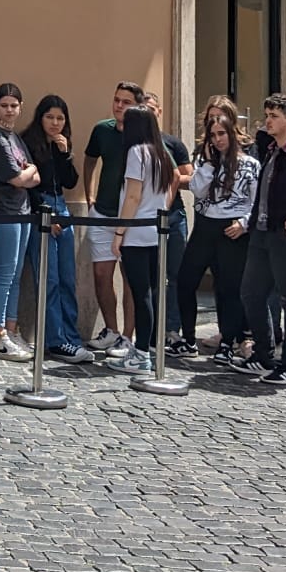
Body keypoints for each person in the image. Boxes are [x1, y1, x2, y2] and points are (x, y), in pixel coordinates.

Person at [229, 94, 286, 387]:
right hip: (263, 233)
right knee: (251, 293)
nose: (267, 120)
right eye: (267, 113)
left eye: (274, 115)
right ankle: (264, 354)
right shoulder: (273, 150)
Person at [179, 99, 256, 366]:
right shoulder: (205, 158)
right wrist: (210, 164)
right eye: (213, 133)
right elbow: (197, 190)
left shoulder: (249, 162)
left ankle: (228, 342)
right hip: (204, 225)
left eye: (221, 132)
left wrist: (243, 223)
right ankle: (187, 339)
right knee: (186, 279)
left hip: (232, 227)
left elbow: (256, 200)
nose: (217, 138)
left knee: (229, 288)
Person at [109, 105, 179, 374]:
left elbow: (133, 196)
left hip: (137, 232)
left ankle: (140, 354)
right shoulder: (161, 153)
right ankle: (146, 348)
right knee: (149, 291)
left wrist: (119, 232)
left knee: (141, 294)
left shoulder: (137, 153)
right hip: (155, 231)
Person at [19, 95, 89, 363]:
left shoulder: (61, 144)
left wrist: (65, 154)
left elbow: (70, 181)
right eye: (50, 117)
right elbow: (31, 186)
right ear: (40, 117)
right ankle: (55, 340)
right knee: (49, 279)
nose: (55, 123)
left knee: (68, 278)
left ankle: (72, 337)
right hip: (43, 209)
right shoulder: (29, 143)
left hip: (63, 206)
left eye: (60, 118)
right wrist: (44, 214)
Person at [81, 81, 147, 353]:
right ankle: (111, 329)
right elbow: (89, 160)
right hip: (103, 212)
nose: (119, 106)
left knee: (131, 279)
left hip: (132, 219)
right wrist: (90, 195)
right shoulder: (102, 129)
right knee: (101, 274)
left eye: (126, 102)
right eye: (117, 100)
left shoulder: (143, 135)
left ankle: (127, 338)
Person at [0, 84, 40, 360]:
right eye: (4, 105)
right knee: (4, 273)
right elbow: (17, 177)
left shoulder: (14, 136)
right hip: (3, 210)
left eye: (14, 105)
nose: (9, 110)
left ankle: (11, 330)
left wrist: (30, 172)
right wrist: (29, 173)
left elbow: (35, 174)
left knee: (16, 274)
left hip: (22, 209)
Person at [141, 90, 194, 346]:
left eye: (152, 108)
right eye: (144, 108)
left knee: (174, 275)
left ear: (159, 111)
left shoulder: (173, 143)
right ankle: (150, 331)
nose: (149, 113)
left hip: (173, 216)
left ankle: (172, 329)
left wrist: (167, 178)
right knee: (149, 276)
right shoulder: (134, 145)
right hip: (144, 218)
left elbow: (190, 178)